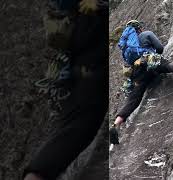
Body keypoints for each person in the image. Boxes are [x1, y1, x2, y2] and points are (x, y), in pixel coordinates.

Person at [23, 0, 107, 180]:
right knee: (80, 124)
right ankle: (37, 174)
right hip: (91, 56)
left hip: (80, 59)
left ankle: (37, 173)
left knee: (73, 124)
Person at [109, 20, 173, 144]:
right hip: (150, 62)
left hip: (137, 73)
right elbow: (160, 49)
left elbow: (129, 63)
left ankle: (116, 124)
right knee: (166, 64)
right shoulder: (146, 34)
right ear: (139, 28)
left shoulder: (126, 48)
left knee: (133, 99)